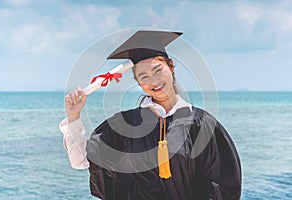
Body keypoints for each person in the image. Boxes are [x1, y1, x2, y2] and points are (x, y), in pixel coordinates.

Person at [60, 30, 241, 200]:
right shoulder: (125, 125)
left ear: (171, 67)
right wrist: (74, 115)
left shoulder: (201, 124)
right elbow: (81, 161)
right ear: (138, 82)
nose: (153, 81)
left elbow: (222, 184)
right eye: (144, 76)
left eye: (158, 70)